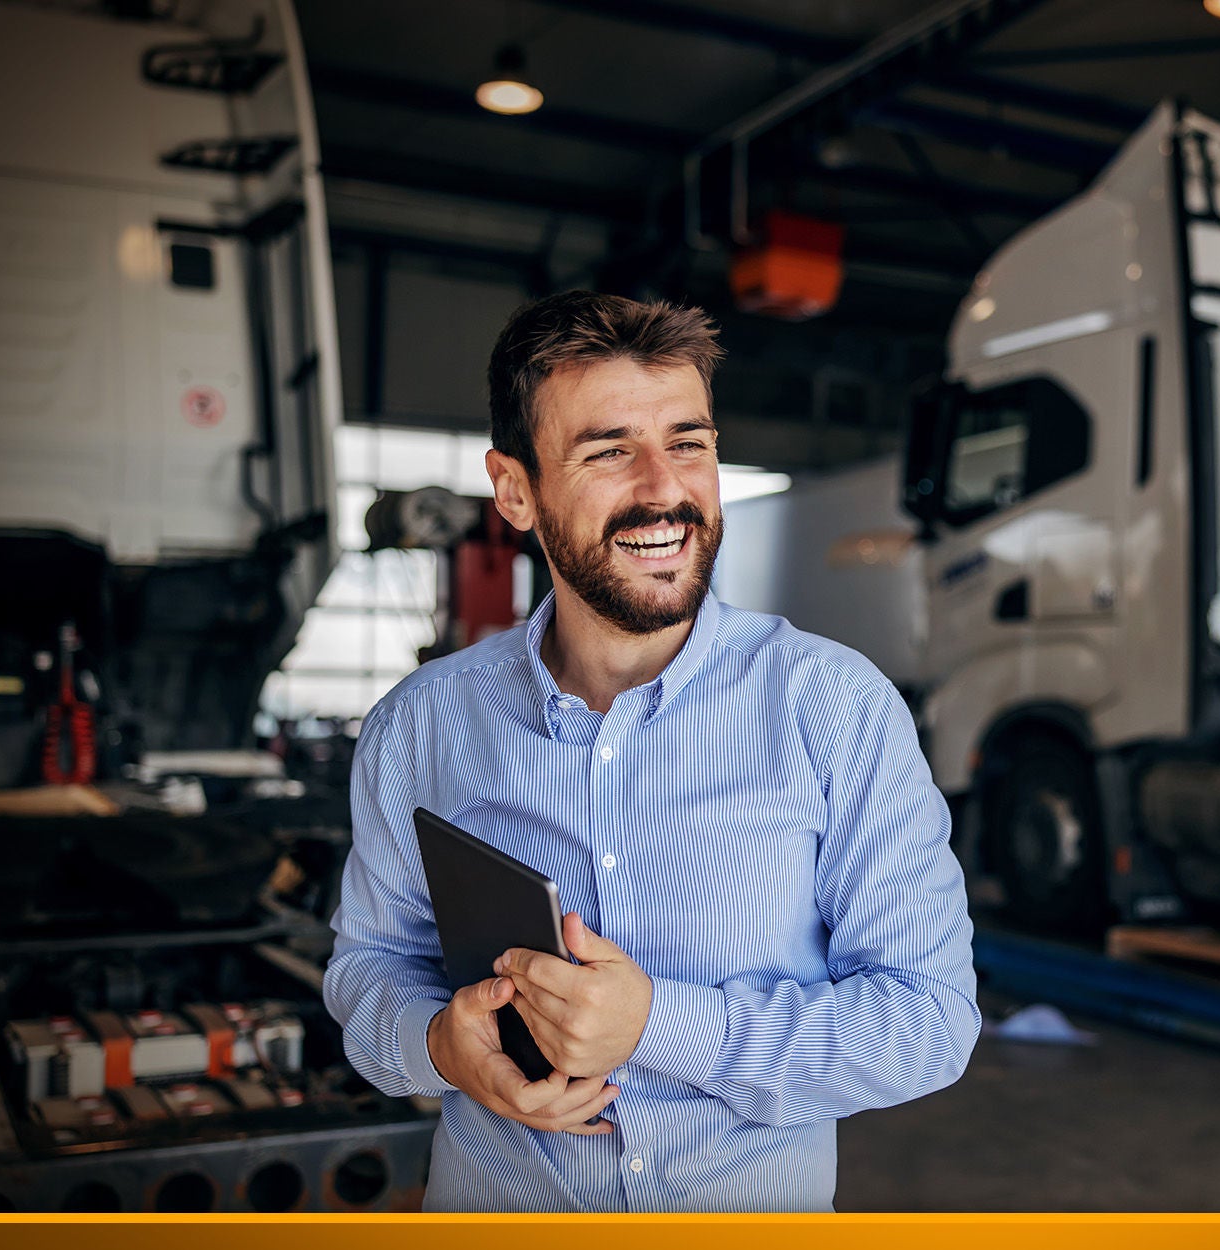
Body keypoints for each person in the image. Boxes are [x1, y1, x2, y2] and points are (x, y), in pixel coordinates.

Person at [322, 290, 979, 1212]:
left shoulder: (833, 709)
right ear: (515, 490)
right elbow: (368, 970)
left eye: (688, 442)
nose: (664, 489)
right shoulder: (424, 726)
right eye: (608, 451)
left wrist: (660, 1026)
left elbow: (928, 1022)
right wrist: (438, 1046)